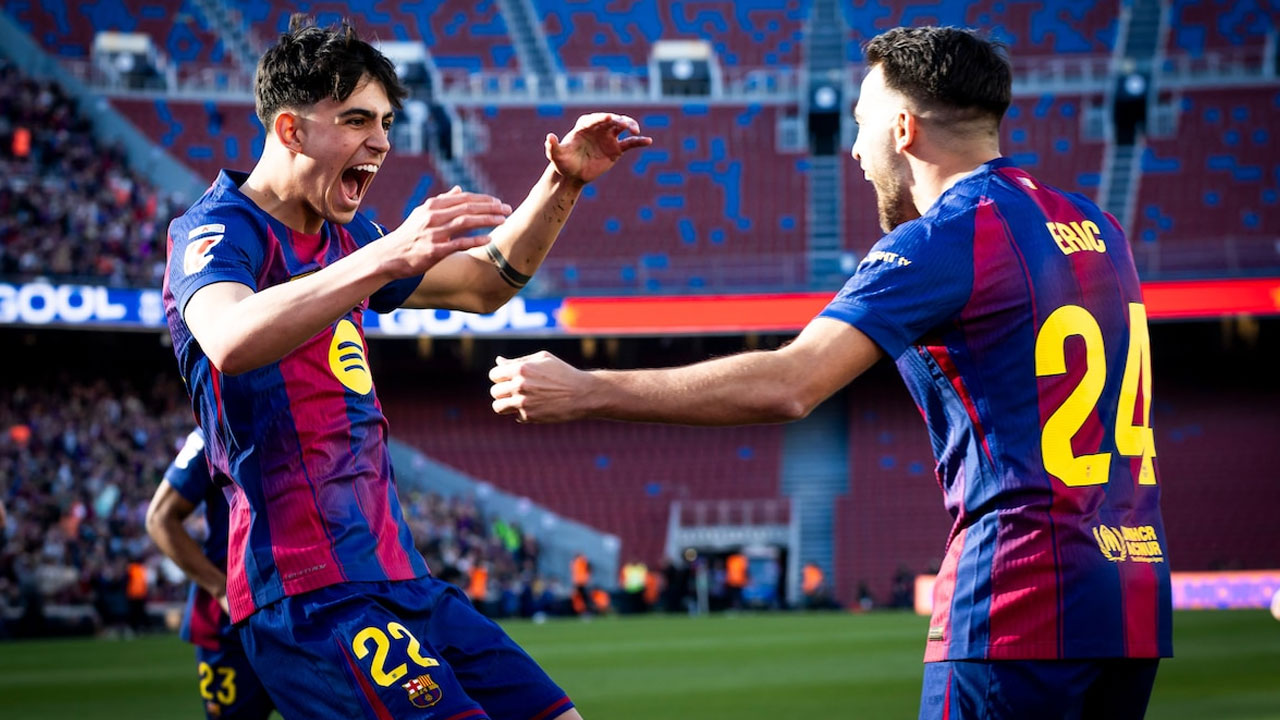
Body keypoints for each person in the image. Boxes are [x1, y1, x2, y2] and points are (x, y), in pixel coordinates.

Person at [490, 26, 1171, 719]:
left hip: (1020, 595)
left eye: (860, 123)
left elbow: (790, 383)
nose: (854, 151)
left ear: (902, 129)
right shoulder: (1099, 226)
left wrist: (588, 388)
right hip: (1133, 596)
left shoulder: (945, 237)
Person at [162, 15, 650, 719]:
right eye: (357, 120)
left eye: (387, 122)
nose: (383, 142)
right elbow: (231, 337)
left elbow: (484, 282)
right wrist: (384, 257)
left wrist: (562, 181)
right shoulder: (215, 230)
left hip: (400, 577)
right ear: (291, 130)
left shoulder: (350, 234)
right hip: (307, 590)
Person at [146, 429, 275, 720]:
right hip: (232, 627)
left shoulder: (305, 419)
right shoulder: (210, 433)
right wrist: (220, 589)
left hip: (299, 612)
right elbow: (159, 518)